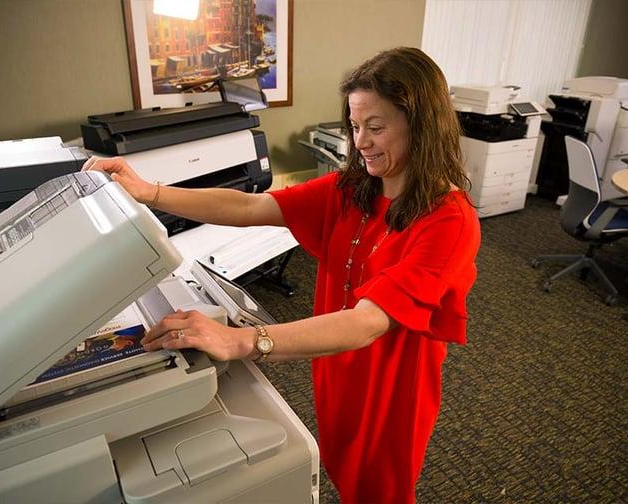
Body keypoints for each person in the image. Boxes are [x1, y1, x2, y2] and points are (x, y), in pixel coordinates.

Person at [84, 46, 480, 504]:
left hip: (387, 394)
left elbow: (368, 321)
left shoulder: (449, 221)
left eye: (376, 127)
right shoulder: (351, 190)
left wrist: (243, 341)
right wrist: (148, 191)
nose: (360, 143)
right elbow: (251, 206)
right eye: (354, 126)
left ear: (422, 125)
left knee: (379, 490)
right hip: (333, 365)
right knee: (338, 467)